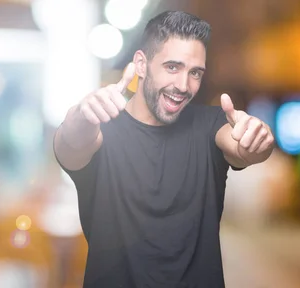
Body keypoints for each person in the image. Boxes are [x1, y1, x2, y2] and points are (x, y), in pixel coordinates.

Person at [53, 11, 274, 288]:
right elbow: (71, 143)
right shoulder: (100, 132)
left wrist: (258, 139)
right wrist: (82, 114)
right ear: (141, 65)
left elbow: (242, 147)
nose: (183, 86)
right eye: (172, 67)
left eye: (195, 73)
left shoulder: (210, 125)